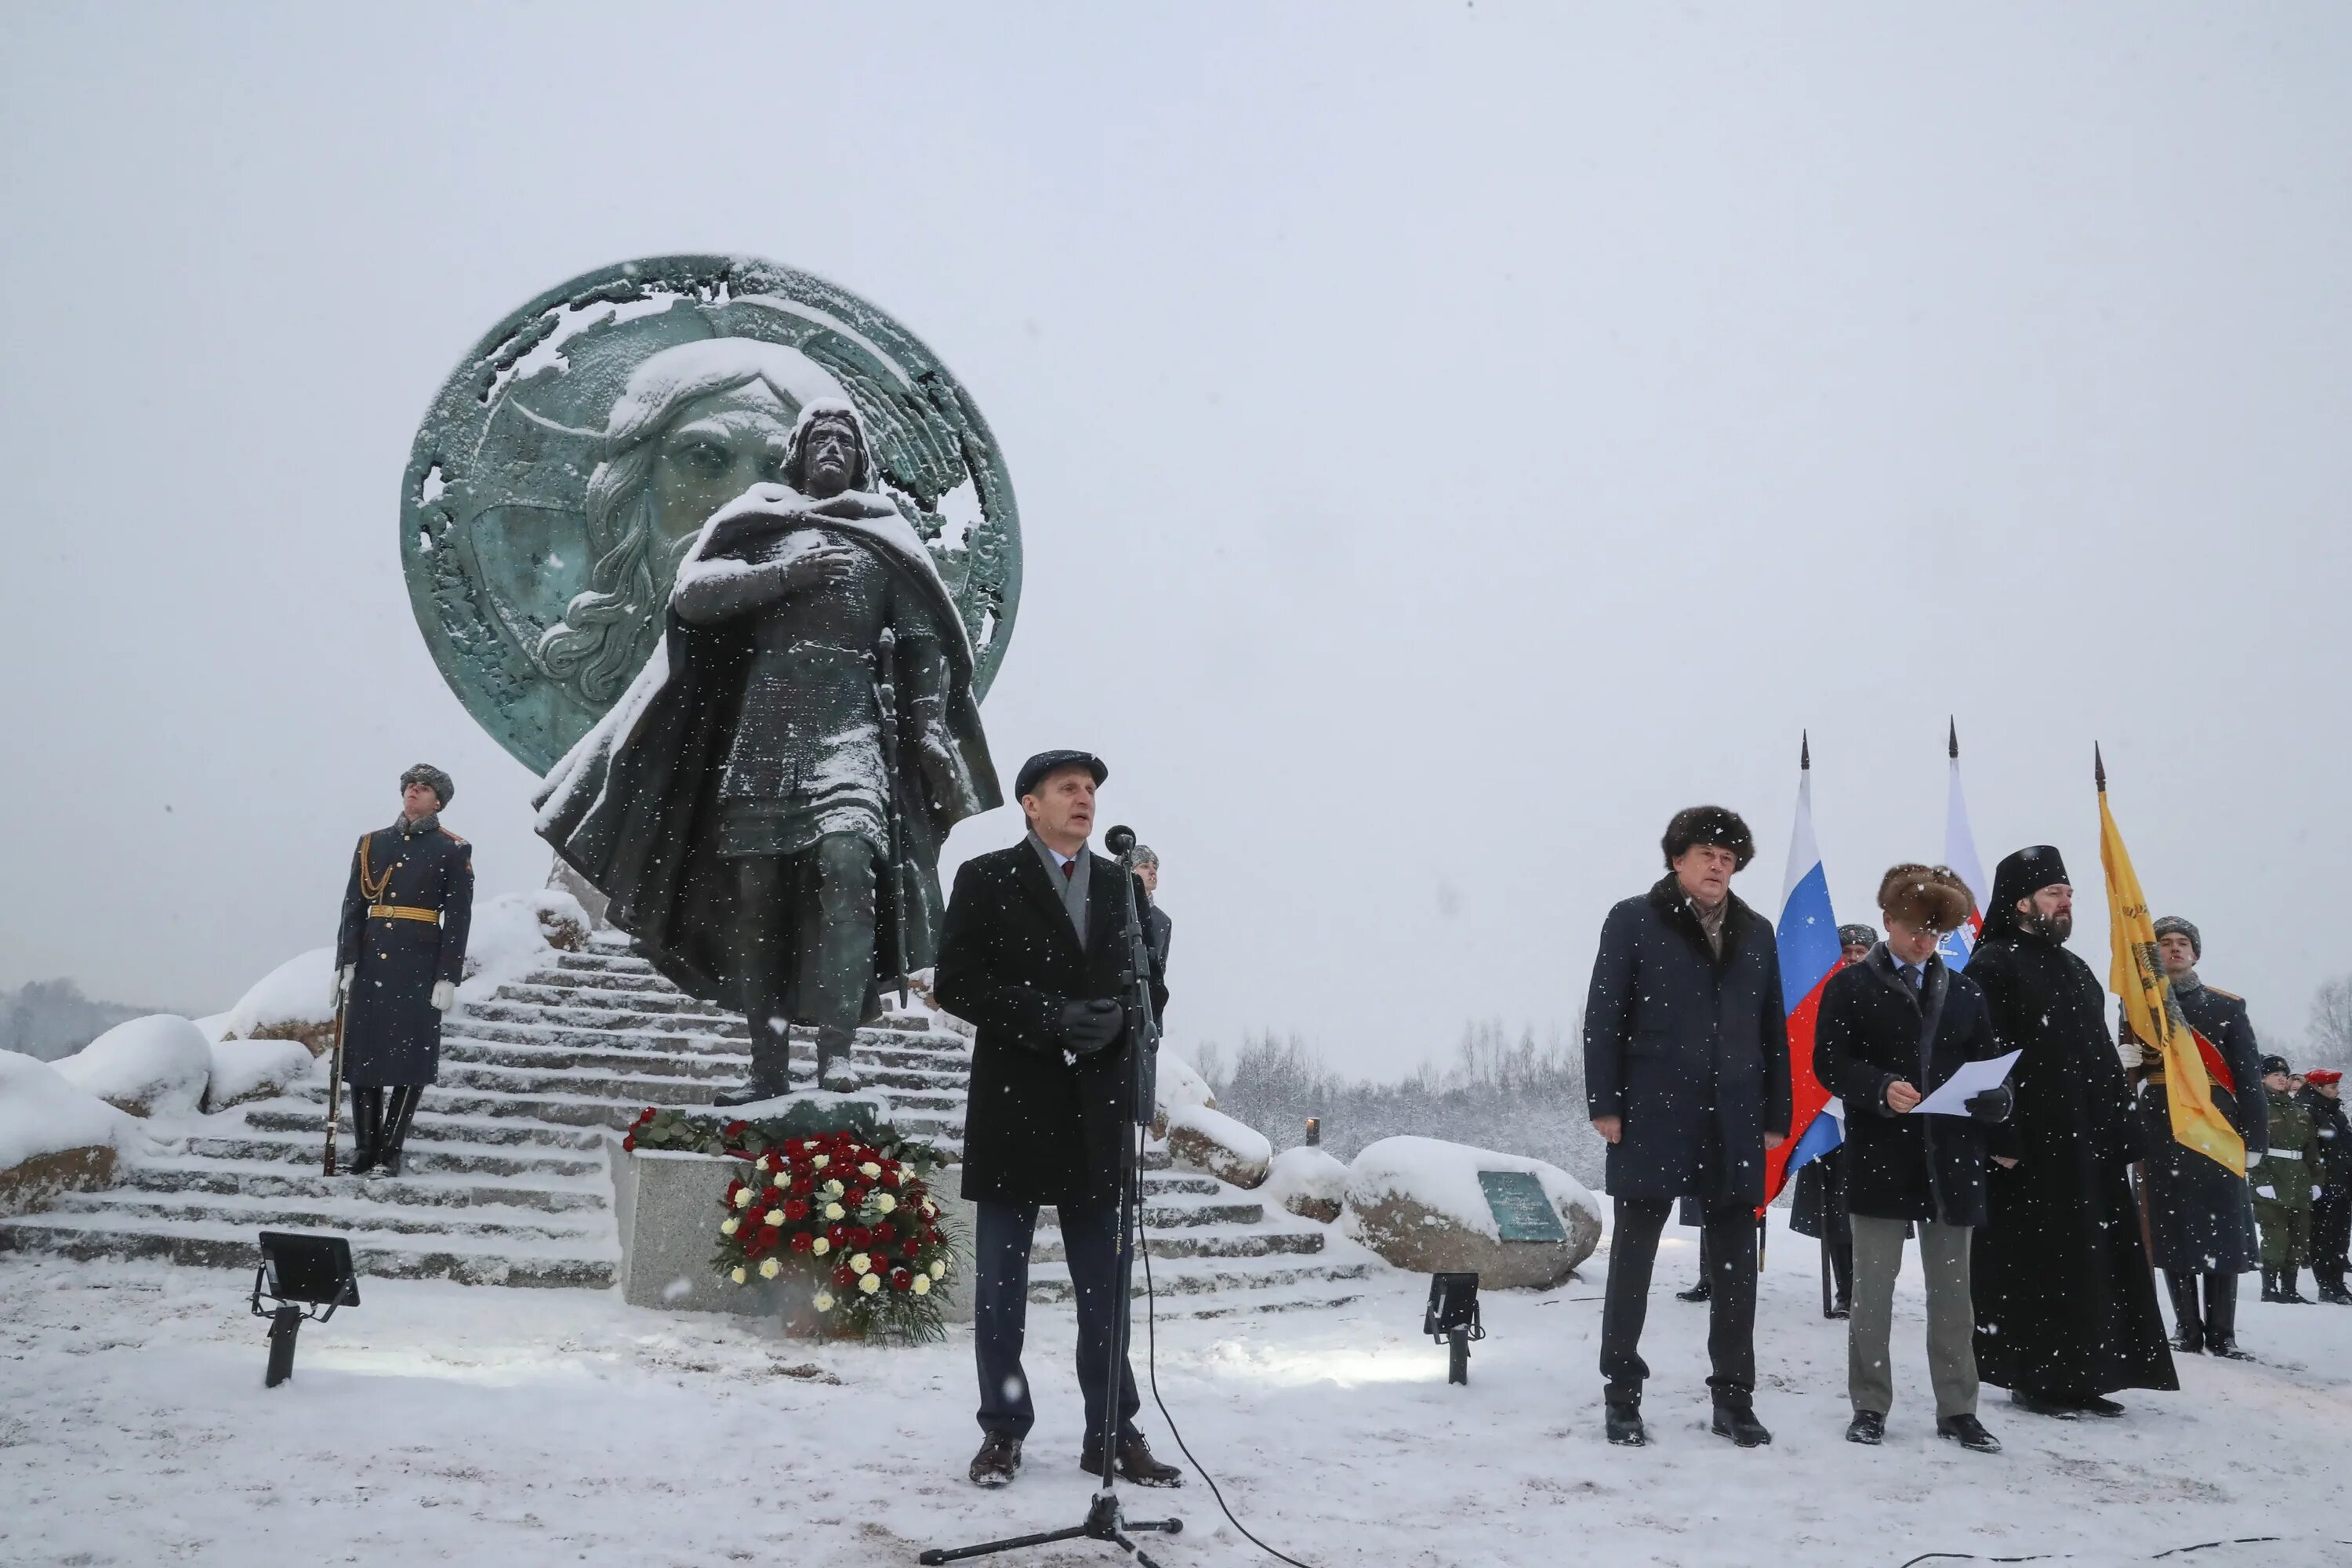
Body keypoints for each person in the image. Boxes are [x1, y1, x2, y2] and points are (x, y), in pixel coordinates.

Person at [535, 401, 1000, 1102]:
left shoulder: (880, 534)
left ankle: (838, 1057)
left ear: (861, 458)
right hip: (765, 716)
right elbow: (693, 596)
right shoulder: (759, 519)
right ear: (799, 452)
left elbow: (922, 637)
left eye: (847, 438)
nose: (834, 446)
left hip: (849, 721)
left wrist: (928, 720)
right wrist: (783, 577)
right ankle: (767, 1063)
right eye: (822, 437)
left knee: (847, 869)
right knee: (760, 896)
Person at [934, 750, 1181, 1491]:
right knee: (1002, 1287)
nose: (1085, 798)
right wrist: (1050, 1016)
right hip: (1015, 1105)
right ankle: (1003, 1433)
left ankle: (1112, 1433)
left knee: (1105, 1288)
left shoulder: (1120, 886)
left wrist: (1118, 1023)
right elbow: (958, 982)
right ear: (1031, 805)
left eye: (1091, 790)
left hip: (1097, 1115)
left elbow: (1151, 989)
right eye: (1068, 788)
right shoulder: (986, 878)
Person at [1584, 805, 1791, 1449]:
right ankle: (1623, 1395)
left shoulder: (1756, 932)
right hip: (1651, 1113)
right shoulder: (1633, 920)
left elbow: (1772, 1029)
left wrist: (1776, 1115)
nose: (1719, 867)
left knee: (1736, 1269)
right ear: (1678, 858)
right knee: (1634, 1261)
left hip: (1733, 1120)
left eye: (1729, 859)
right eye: (1708, 855)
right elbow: (1604, 1015)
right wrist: (1606, 1105)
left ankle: (1735, 1398)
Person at [1968, 846, 2176, 1417]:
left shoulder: (2075, 968)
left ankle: (2088, 1375)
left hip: (2088, 1147)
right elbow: (1983, 1061)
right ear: (2021, 903)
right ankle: (2036, 1376)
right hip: (2032, 1150)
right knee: (2039, 1263)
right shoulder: (1992, 965)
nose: (2066, 904)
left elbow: (2101, 1059)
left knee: (2095, 1262)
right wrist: (2002, 1139)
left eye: (2068, 895)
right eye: (2055, 894)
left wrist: (2125, 1132)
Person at [1813, 865, 2013, 1454]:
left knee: (1953, 1296)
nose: (1924, 941)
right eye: (1914, 928)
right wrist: (1877, 1087)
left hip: (1951, 1162)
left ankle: (1958, 1409)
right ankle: (1870, 1405)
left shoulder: (1967, 991)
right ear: (1888, 922)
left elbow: (1990, 1066)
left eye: (1936, 931)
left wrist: (1998, 1101)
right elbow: (1830, 1063)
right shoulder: (1849, 988)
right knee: (1872, 1291)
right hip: (1881, 1157)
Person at [2126, 916, 2267, 1357]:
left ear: (2195, 952)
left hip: (2216, 1131)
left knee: (2222, 1230)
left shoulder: (2228, 1007)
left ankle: (2222, 1333)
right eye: (2164, 943)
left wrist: (2256, 1140)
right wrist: (2122, 1061)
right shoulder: (2137, 1007)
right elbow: (2129, 1079)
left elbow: (2248, 1078)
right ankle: (2187, 1328)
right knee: (2170, 1230)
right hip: (2162, 1131)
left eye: (2182, 942)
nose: (2173, 949)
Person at [333, 764, 474, 1178]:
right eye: (410, 785)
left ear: (439, 801)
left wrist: (448, 975)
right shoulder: (372, 843)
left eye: (425, 787)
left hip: (418, 965)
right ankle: (364, 1149)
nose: (414, 790)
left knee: (411, 1060)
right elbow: (353, 907)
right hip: (373, 959)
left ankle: (390, 1151)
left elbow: (459, 918)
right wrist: (345, 963)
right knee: (364, 1057)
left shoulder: (453, 849)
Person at [1784, 920, 1884, 1319]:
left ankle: (1872, 1289)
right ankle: (1847, 1289)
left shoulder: (1890, 994)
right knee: (1836, 1214)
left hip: (1877, 1118)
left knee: (1875, 1213)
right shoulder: (1817, 997)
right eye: (1847, 951)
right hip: (1827, 1118)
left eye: (1862, 951)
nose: (1854, 957)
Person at [2254, 1054, 2320, 1303]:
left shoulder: (2300, 1113)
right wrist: (2261, 1181)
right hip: (2272, 1178)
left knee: (2299, 1237)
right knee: (2276, 1237)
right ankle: (2269, 1288)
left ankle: (2290, 1288)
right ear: (2263, 1079)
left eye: (2284, 1075)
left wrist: (2315, 1181)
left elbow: (2311, 1152)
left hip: (2299, 1182)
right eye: (2275, 1075)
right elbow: (2251, 1148)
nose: (2282, 1079)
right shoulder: (2258, 1108)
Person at [2298, 1069, 2352, 1303]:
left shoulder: (2336, 1113)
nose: (2337, 1091)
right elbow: (2310, 1151)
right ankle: (2327, 1285)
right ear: (2317, 1088)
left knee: (2341, 1238)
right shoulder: (2309, 1112)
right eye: (2332, 1087)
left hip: (2343, 1184)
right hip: (2324, 1185)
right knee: (2323, 1237)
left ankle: (2338, 1283)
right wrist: (2317, 1182)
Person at [1127, 842, 1172, 970]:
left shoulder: (1163, 921)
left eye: (1155, 867)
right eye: (1145, 866)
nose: (1153, 872)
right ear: (1130, 870)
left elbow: (1159, 971)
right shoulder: (1112, 908)